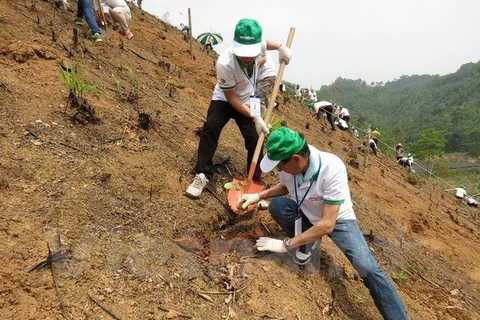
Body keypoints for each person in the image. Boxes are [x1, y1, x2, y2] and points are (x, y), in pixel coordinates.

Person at [237, 127, 409, 320]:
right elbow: (285, 186)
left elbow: (328, 224)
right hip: (308, 212)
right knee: (277, 206)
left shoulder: (332, 168)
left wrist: (286, 244)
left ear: (296, 159)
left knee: (366, 267)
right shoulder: (289, 168)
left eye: (280, 165)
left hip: (337, 219)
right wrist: (258, 196)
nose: (279, 169)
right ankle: (309, 240)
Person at [185, 19, 292, 198]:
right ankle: (202, 174)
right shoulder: (225, 63)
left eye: (251, 52)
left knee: (256, 139)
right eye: (243, 53)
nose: (247, 57)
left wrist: (281, 47)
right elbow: (231, 99)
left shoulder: (259, 47)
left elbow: (267, 44)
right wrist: (255, 117)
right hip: (227, 99)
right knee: (212, 126)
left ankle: (254, 181)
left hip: (250, 98)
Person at [255, 39, 285, 114]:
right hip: (261, 76)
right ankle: (268, 103)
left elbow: (264, 59)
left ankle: (258, 120)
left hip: (266, 74)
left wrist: (251, 68)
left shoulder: (255, 43)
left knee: (256, 99)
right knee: (255, 96)